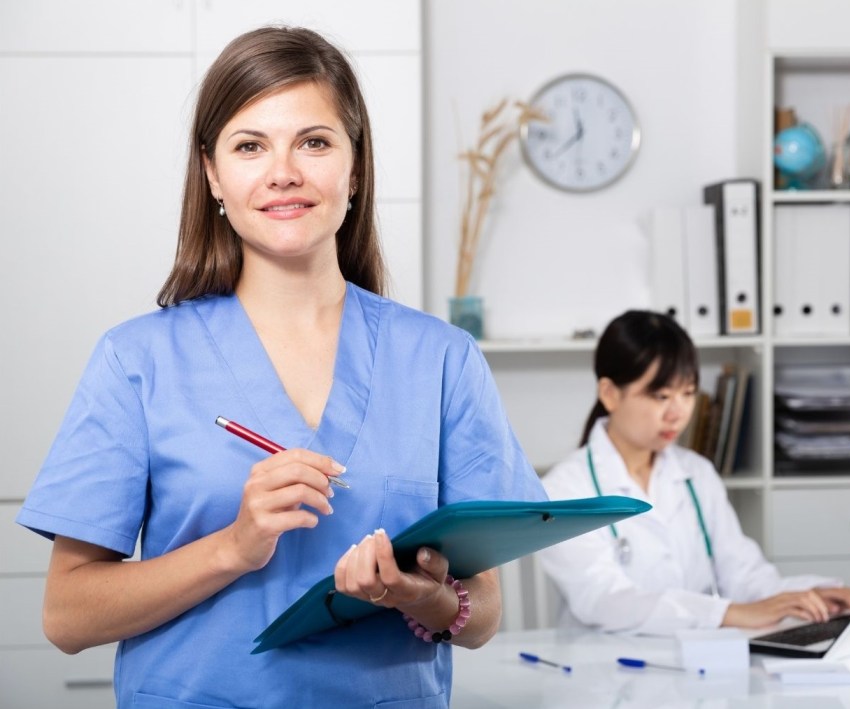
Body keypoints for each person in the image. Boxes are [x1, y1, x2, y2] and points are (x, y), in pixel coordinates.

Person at [16, 26, 544, 708]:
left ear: (355, 168)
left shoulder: (442, 360)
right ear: (212, 174)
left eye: (315, 142)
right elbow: (66, 615)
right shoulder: (135, 361)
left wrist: (418, 594)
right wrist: (232, 546)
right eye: (249, 146)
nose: (284, 172)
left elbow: (485, 614)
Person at [538, 310, 850, 635]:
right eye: (661, 396)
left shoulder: (697, 473)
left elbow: (743, 574)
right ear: (610, 394)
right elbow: (602, 600)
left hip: (692, 666)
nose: (678, 412)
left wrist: (810, 595)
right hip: (602, 674)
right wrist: (726, 612)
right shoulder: (563, 490)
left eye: (688, 393)